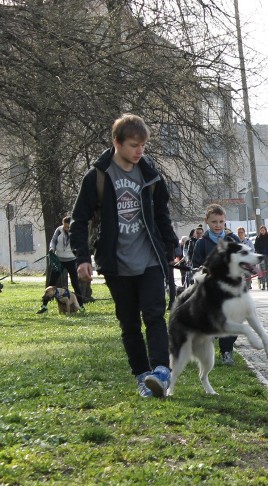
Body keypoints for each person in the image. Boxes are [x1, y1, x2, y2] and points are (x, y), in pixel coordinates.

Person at [69, 113, 179, 398]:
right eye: (133, 145)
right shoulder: (97, 177)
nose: (139, 151)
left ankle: (161, 372)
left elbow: (161, 213)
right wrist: (82, 258)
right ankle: (143, 377)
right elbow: (79, 220)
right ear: (116, 143)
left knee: (155, 315)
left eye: (143, 145)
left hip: (150, 259)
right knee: (129, 323)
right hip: (117, 264)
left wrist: (171, 247)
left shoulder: (149, 173)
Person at [191, 203, 241, 366]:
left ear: (225, 221)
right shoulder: (202, 243)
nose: (218, 225)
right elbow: (196, 265)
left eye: (221, 221)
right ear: (207, 222)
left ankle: (227, 351)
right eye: (214, 222)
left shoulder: (232, 240)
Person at [38, 216, 85, 313]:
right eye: (65, 227)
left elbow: (79, 244)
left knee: (75, 283)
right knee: (51, 283)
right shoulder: (59, 230)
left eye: (68, 227)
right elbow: (53, 241)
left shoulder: (75, 232)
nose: (66, 229)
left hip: (71, 260)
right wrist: (52, 248)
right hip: (59, 260)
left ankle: (81, 306)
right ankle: (44, 306)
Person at [254, 225, 268, 290]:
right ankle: (263, 285)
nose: (262, 231)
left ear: (265, 230)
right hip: (261, 256)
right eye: (261, 230)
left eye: (263, 230)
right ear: (260, 231)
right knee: (262, 270)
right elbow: (256, 247)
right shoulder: (258, 238)